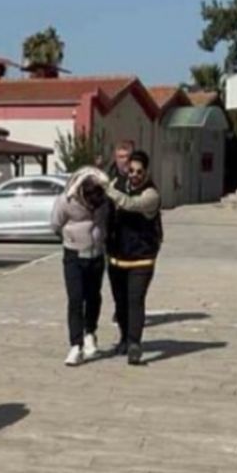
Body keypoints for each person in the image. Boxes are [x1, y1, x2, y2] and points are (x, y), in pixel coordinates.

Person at [98, 150, 162, 366]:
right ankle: (124, 338)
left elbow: (130, 204)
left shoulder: (151, 194)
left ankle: (135, 344)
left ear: (146, 172)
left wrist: (109, 190)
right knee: (120, 302)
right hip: (117, 256)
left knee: (135, 300)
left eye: (139, 172)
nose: (134, 175)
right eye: (131, 170)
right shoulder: (119, 183)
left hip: (142, 258)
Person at [50, 168, 110, 367]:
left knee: (93, 297)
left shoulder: (103, 201)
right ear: (83, 194)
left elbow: (108, 220)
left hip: (96, 255)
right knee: (75, 299)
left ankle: (90, 332)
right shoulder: (66, 201)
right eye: (91, 202)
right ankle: (76, 345)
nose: (93, 206)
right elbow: (55, 224)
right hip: (74, 256)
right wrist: (71, 239)